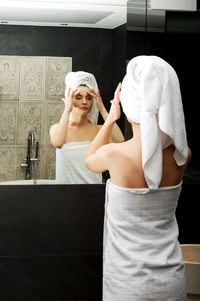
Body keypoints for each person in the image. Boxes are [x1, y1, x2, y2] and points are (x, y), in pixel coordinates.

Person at [85, 56, 191, 300]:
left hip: (127, 284)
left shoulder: (115, 154)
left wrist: (110, 116)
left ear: (130, 101)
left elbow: (90, 160)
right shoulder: (182, 155)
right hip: (171, 282)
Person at [50, 71, 124, 184]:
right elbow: (58, 142)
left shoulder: (98, 130)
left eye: (89, 98)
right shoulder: (57, 129)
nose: (84, 102)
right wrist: (67, 109)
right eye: (78, 97)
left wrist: (102, 109)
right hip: (65, 196)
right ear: (70, 99)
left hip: (93, 195)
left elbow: (120, 141)